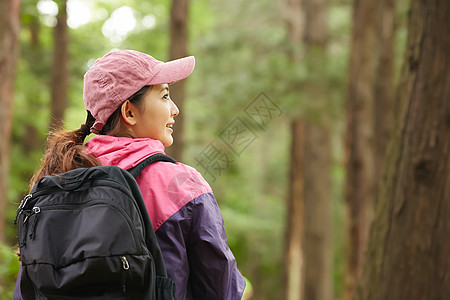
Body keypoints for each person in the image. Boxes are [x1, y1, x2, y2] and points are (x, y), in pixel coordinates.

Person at [13, 50, 246, 300]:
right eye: (165, 96)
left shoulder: (59, 179)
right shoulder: (181, 183)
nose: (175, 109)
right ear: (129, 112)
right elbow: (222, 289)